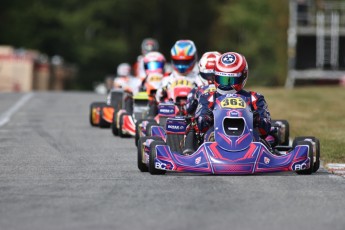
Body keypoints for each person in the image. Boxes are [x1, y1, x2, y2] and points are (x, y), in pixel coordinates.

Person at [195, 52, 272, 142]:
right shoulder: (208, 97)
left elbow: (266, 128)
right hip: (214, 144)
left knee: (267, 139)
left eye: (230, 80)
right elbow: (199, 125)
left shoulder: (254, 98)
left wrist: (257, 119)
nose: (225, 84)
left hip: (248, 143)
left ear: (243, 76)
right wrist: (208, 118)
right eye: (222, 79)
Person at [155, 39, 200, 103]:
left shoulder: (198, 78)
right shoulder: (168, 78)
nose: (181, 65)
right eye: (178, 61)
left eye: (185, 62)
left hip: (193, 109)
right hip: (170, 109)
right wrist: (162, 92)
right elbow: (158, 97)